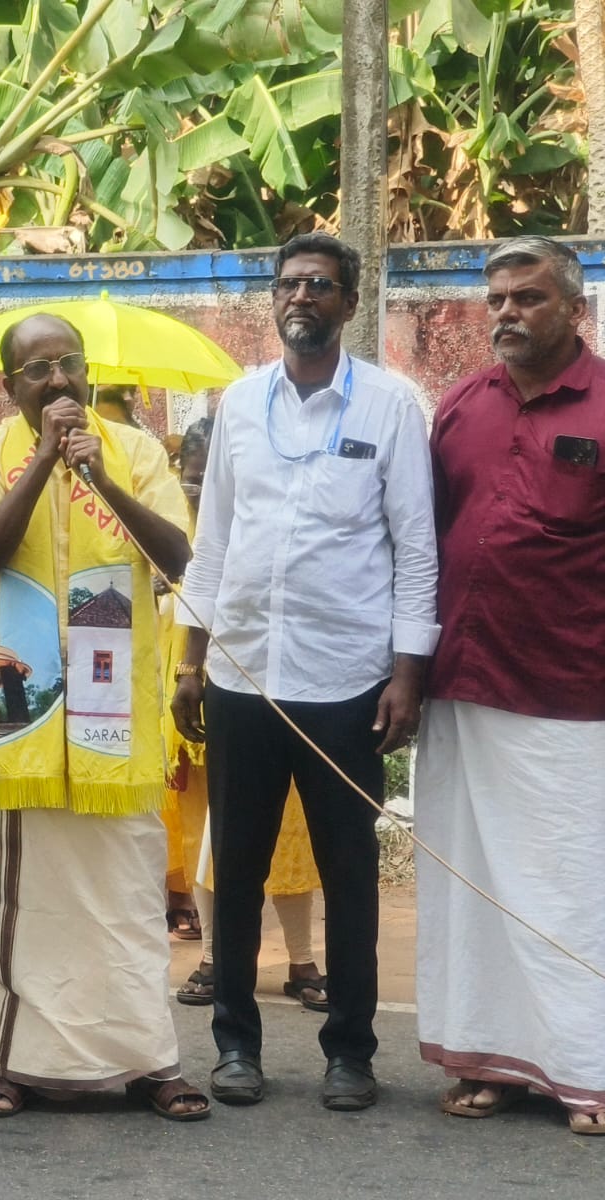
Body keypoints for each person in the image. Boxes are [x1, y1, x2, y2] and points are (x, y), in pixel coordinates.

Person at [172, 233, 439, 1112]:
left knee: (349, 875)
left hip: (346, 682)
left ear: (349, 303)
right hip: (244, 676)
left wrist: (406, 674)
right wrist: (190, 659)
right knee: (237, 871)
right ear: (274, 297)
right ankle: (236, 1045)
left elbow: (416, 549)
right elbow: (213, 539)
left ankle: (350, 1054)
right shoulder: (241, 403)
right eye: (289, 283)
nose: (301, 297)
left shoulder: (391, 406)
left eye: (320, 285)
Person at [0, 313, 207, 1122]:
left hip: (116, 709)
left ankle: (150, 1060)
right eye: (38, 370)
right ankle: (12, 1061)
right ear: (10, 387)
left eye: (69, 363)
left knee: (128, 894)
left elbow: (180, 558)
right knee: (24, 898)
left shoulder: (133, 450)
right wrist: (41, 462)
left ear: (88, 370)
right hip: (23, 712)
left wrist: (101, 479)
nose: (58, 380)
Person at [416, 235, 605, 1136]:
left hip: (573, 692)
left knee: (571, 887)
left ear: (575, 308)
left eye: (527, 298)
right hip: (462, 684)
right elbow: (424, 542)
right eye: (496, 299)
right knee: (472, 887)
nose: (507, 313)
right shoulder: (462, 406)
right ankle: (489, 1058)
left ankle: (587, 1070)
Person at [164, 418, 325, 1013]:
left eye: (209, 477)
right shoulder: (169, 520)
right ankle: (214, 957)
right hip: (193, 685)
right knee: (212, 833)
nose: (200, 489)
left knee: (293, 831)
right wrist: (188, 670)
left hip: (270, 683)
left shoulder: (267, 513)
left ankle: (302, 958)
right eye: (192, 478)